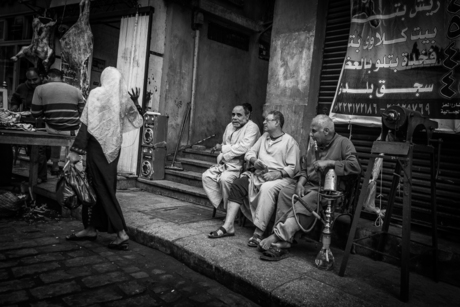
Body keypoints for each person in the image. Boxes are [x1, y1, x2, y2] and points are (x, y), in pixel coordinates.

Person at [258, 115, 361, 261]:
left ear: (326, 131)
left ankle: (278, 235)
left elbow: (355, 167)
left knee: (308, 200)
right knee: (286, 192)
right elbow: (305, 170)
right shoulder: (314, 147)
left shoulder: (344, 143)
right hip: (309, 185)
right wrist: (300, 183)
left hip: (328, 190)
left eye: (314, 131)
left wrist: (330, 163)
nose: (311, 135)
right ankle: (285, 240)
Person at [65, 67, 143, 250]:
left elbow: (86, 123)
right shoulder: (122, 98)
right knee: (94, 187)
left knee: (103, 190)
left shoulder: (97, 93)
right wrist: (136, 101)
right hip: (113, 150)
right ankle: (91, 228)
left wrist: (75, 149)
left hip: (97, 149)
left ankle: (121, 233)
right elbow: (138, 118)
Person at [208, 110, 300, 248]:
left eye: (267, 120)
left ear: (277, 123)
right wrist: (254, 160)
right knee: (238, 184)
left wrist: (278, 174)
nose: (263, 122)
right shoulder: (264, 137)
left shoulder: (290, 142)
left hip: (280, 178)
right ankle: (228, 225)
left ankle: (258, 232)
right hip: (259, 174)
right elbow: (250, 152)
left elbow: (294, 168)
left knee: (266, 189)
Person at [202, 103, 260, 210]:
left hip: (242, 165)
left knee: (225, 180)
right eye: (233, 115)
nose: (235, 118)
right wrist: (224, 150)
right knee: (206, 177)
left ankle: (232, 211)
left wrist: (224, 149)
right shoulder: (229, 126)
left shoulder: (252, 127)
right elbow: (225, 143)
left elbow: (244, 148)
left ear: (247, 116)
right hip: (226, 163)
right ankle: (223, 206)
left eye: (239, 115)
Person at [31, 68, 85, 180]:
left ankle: (54, 166)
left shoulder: (39, 89)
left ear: (48, 77)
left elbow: (35, 113)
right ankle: (77, 182)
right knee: (75, 156)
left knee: (49, 130)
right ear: (61, 78)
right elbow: (82, 112)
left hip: (51, 129)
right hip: (71, 130)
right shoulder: (76, 90)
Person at [0, 68, 42, 186]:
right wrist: (12, 111)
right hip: (25, 120)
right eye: (30, 80)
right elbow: (15, 102)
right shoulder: (21, 88)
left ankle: (40, 176)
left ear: (40, 77)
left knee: (41, 150)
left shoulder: (44, 87)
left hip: (41, 121)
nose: (33, 82)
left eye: (35, 79)